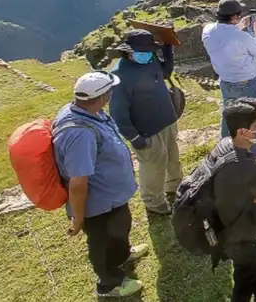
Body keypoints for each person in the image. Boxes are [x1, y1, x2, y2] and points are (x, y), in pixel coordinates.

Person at [53, 71, 148, 298]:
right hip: (98, 203)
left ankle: (123, 255)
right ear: (103, 97)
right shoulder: (79, 134)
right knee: (102, 241)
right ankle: (109, 283)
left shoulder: (89, 112)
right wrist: (78, 217)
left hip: (112, 196)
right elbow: (78, 182)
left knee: (120, 226)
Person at [212, 98, 256, 302]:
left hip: (223, 224)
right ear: (242, 131)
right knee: (243, 276)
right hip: (243, 232)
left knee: (253, 262)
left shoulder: (223, 147)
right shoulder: (249, 167)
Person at [109, 29, 182, 215]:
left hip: (166, 120)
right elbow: (118, 112)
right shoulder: (119, 76)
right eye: (142, 52)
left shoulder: (150, 60)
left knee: (172, 159)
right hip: (147, 130)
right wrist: (133, 137)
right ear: (128, 51)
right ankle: (154, 203)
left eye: (149, 52)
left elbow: (165, 73)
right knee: (153, 167)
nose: (146, 55)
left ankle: (175, 188)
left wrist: (167, 49)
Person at [202, 0, 256, 159]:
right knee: (255, 117)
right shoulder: (242, 37)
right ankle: (255, 151)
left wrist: (239, 26)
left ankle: (225, 149)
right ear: (234, 17)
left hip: (226, 82)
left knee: (229, 115)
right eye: (238, 15)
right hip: (248, 83)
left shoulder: (207, 30)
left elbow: (226, 36)